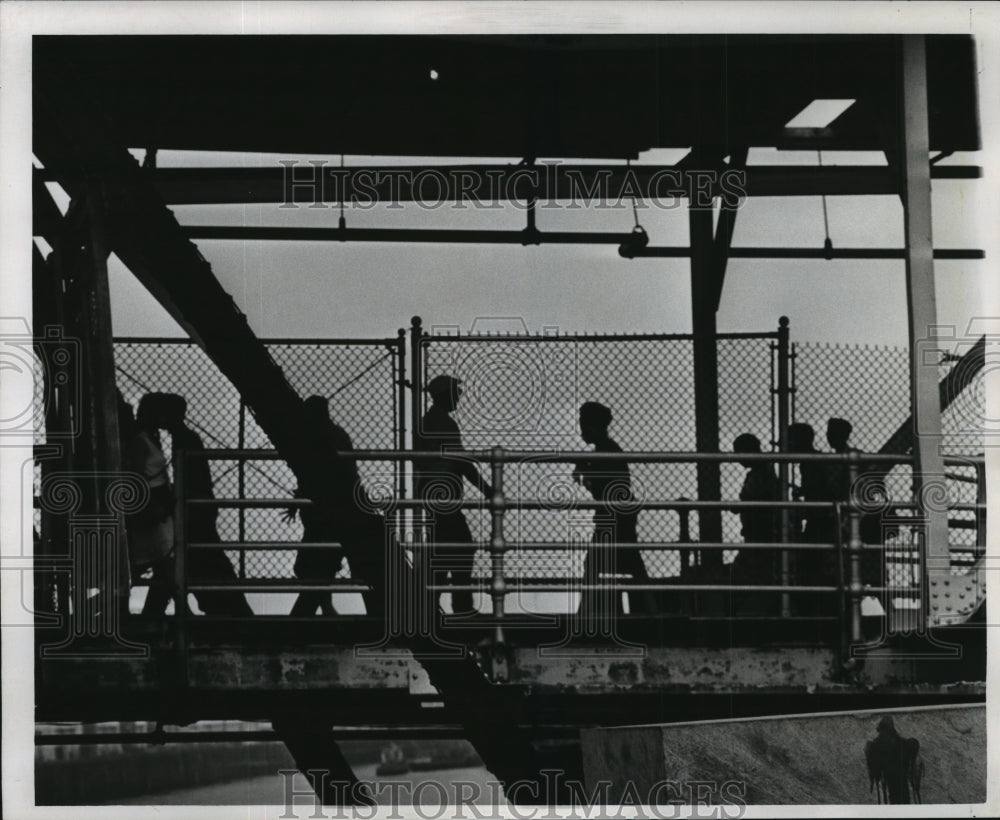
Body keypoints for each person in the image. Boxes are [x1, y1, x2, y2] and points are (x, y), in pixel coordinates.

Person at [159, 394, 252, 617]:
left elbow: (190, 475)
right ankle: (225, 606)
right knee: (205, 557)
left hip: (195, 508)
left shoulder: (183, 439)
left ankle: (217, 605)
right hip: (199, 506)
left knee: (197, 557)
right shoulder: (186, 436)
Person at [415, 375, 492, 615]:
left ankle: (429, 606)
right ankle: (461, 606)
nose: (458, 397)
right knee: (462, 548)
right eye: (455, 392)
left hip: (432, 493)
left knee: (441, 551)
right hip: (444, 495)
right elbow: (461, 463)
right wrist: (489, 490)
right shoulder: (444, 424)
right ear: (444, 395)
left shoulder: (427, 422)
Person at [572, 401, 656, 618]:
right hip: (619, 515)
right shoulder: (607, 450)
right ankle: (652, 611)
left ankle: (584, 614)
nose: (581, 430)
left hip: (613, 516)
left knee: (594, 565)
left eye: (584, 425)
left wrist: (585, 475)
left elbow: (601, 488)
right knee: (630, 564)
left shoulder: (605, 453)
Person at [284, 396, 362, 617]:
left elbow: (314, 476)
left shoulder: (319, 438)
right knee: (320, 566)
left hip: (326, 513)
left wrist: (299, 499)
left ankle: (306, 616)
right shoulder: (334, 436)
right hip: (331, 511)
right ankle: (325, 610)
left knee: (314, 567)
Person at [125, 393, 176, 616]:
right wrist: (150, 504)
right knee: (165, 562)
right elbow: (136, 476)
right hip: (153, 507)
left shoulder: (150, 437)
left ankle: (152, 610)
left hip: (159, 506)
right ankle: (155, 610)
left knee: (163, 563)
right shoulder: (140, 440)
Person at [731, 433, 781, 613]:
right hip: (758, 533)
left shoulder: (763, 474)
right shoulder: (762, 471)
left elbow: (759, 502)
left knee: (746, 574)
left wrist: (742, 506)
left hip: (761, 534)